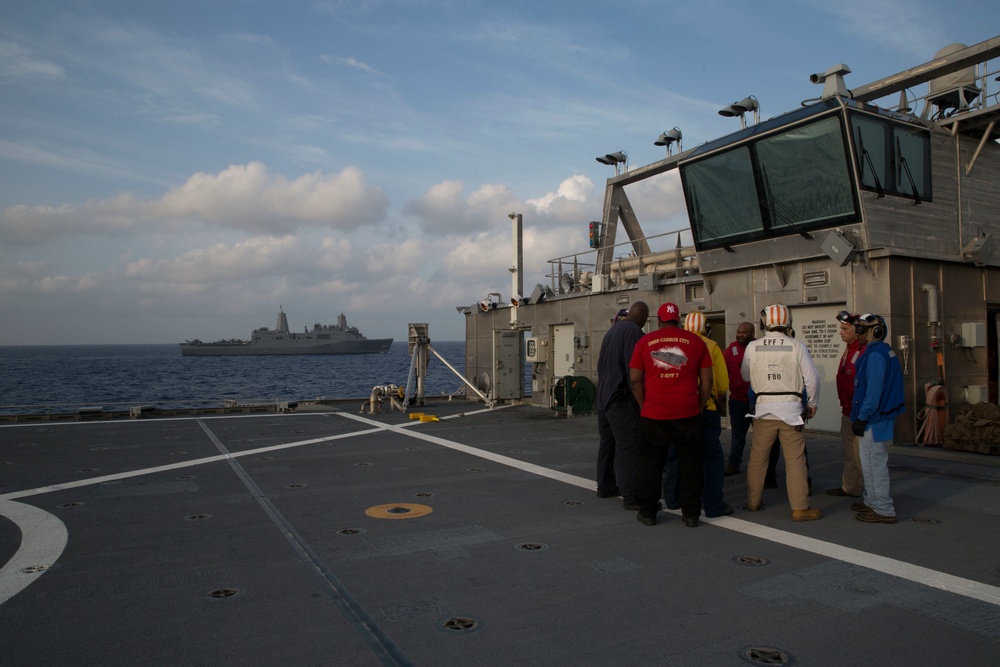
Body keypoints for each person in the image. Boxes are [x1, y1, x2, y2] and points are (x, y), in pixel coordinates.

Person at [629, 302, 712, 528]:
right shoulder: (696, 342)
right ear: (679, 319)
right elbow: (707, 381)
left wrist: (644, 404)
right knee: (691, 464)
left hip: (654, 413)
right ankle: (691, 514)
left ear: (658, 320)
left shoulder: (645, 341)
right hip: (687, 412)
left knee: (650, 464)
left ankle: (647, 513)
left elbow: (635, 379)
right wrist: (699, 405)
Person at [741, 303, 822, 521]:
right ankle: (800, 508)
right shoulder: (797, 346)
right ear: (788, 323)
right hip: (791, 411)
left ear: (764, 323)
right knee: (795, 461)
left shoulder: (752, 347)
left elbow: (745, 376)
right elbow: (812, 379)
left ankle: (753, 502)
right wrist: (812, 403)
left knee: (758, 459)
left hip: (763, 411)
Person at [662, 312, 733, 517]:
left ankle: (672, 499)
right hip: (706, 408)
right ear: (705, 328)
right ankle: (713, 505)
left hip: (678, 408)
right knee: (711, 457)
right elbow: (722, 383)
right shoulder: (711, 346)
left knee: (675, 454)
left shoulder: (675, 344)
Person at [850, 313, 905, 523]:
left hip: (875, 417)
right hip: (879, 416)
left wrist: (862, 417)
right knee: (871, 461)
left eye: (862, 330)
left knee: (874, 462)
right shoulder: (881, 351)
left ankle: (883, 508)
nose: (858, 333)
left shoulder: (875, 355)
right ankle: (871, 501)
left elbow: (873, 391)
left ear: (876, 331)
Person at [595, 302, 649, 509]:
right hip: (621, 400)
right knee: (628, 447)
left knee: (607, 444)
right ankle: (632, 496)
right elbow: (634, 372)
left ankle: (605, 485)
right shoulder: (635, 333)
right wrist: (641, 402)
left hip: (604, 398)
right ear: (643, 317)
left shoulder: (612, 332)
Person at [826, 311, 865, 498]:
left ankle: (863, 491)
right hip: (847, 410)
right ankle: (850, 487)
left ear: (856, 330)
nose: (840, 332)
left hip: (858, 412)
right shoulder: (849, 349)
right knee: (850, 453)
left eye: (845, 329)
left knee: (859, 455)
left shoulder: (863, 351)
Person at [724, 322, 755, 476]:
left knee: (762, 437)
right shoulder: (730, 351)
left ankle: (762, 466)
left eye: (744, 332)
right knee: (737, 434)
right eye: (738, 332)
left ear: (752, 333)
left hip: (757, 402)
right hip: (737, 400)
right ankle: (733, 463)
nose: (740, 335)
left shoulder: (758, 348)